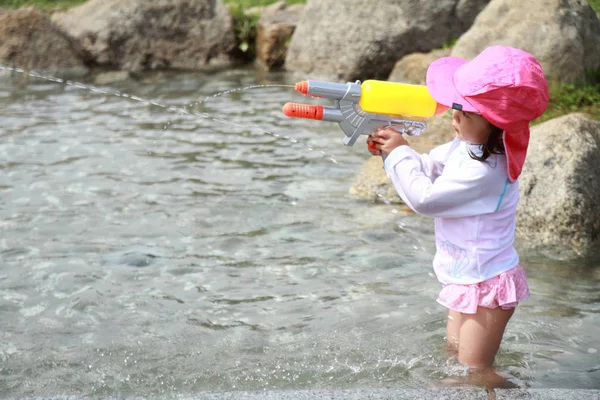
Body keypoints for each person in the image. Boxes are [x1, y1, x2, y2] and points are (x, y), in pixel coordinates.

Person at [366, 46, 549, 383]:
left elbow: (424, 198)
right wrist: (392, 151)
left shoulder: (486, 170)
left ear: (493, 122)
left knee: (475, 371)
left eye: (463, 111)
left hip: (489, 286)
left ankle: (512, 392)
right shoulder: (465, 147)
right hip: (465, 279)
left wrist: (399, 154)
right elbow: (424, 167)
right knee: (453, 359)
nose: (454, 117)